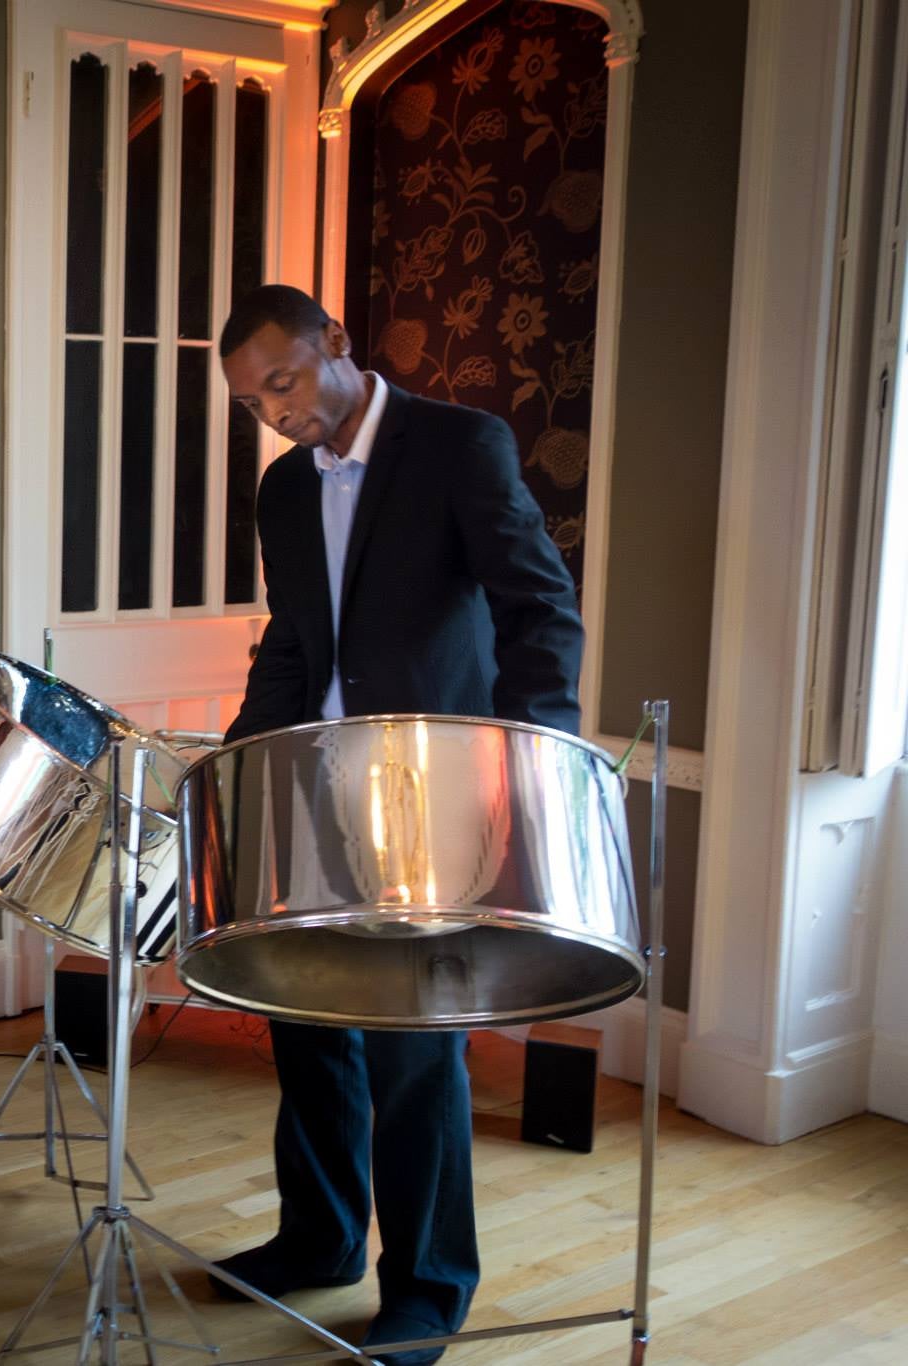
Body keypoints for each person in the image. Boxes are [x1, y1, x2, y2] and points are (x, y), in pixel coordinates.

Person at [210, 284, 583, 1365]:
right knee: (302, 1018)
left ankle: (426, 1285)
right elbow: (292, 642)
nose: (273, 412)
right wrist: (241, 766)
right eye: (251, 400)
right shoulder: (285, 490)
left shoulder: (458, 445)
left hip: (434, 790)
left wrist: (526, 766)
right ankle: (318, 1237)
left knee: (416, 1047)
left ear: (334, 343)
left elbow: (536, 608)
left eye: (280, 382)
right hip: (312, 787)